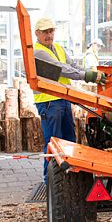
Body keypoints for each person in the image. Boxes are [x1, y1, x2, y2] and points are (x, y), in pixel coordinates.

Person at [32, 17, 106, 182]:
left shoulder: (58, 48)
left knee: (68, 139)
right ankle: (49, 180)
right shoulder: (38, 52)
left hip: (62, 98)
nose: (49, 35)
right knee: (54, 141)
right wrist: (86, 76)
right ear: (37, 33)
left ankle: (67, 178)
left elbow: (73, 65)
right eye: (45, 32)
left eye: (51, 31)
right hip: (49, 101)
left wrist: (91, 75)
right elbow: (62, 70)